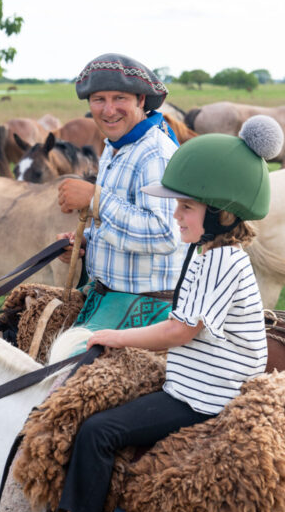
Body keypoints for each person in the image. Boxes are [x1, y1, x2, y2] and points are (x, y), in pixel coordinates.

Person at [0, 116, 285, 512]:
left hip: (204, 397)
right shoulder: (203, 251)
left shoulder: (222, 260)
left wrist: (112, 338)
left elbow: (180, 330)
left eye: (186, 207)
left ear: (222, 214)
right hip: (187, 381)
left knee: (97, 433)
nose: (176, 216)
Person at [56, 53, 187, 335]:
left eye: (119, 98)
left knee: (63, 372)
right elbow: (121, 223)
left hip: (148, 307)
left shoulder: (155, 153)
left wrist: (95, 199)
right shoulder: (115, 147)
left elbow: (165, 235)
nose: (108, 109)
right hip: (108, 296)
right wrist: (85, 243)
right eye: (99, 99)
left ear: (141, 101)